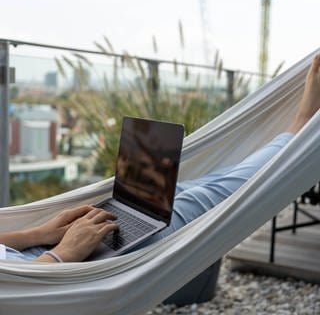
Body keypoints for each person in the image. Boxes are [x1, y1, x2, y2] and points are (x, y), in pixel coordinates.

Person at [1, 54, 320, 263]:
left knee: (178, 192)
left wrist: (39, 233)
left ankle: (293, 137)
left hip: (36, 253)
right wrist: (61, 255)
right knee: (200, 199)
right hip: (46, 274)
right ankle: (300, 130)